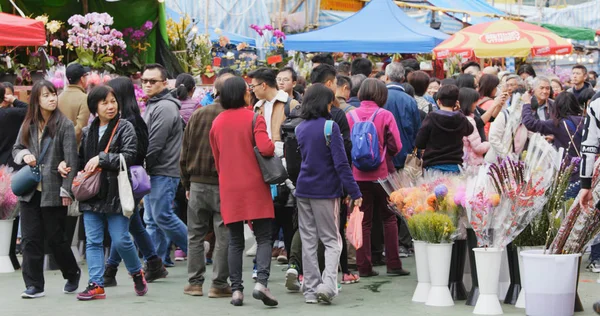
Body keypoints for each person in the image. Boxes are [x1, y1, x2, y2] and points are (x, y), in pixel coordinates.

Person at [210, 76, 278, 307]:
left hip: (229, 186)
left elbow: (217, 159)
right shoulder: (254, 118)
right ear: (242, 94)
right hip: (255, 184)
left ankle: (237, 290)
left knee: (235, 241)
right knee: (264, 236)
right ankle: (261, 283)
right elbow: (267, 148)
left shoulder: (217, 122)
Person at [75, 85, 148, 300]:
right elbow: (81, 160)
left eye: (113, 101)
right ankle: (96, 284)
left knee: (121, 239)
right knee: (94, 241)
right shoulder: (88, 131)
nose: (110, 106)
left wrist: (102, 159)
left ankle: (136, 272)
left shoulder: (124, 127)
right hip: (92, 193)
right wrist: (68, 166)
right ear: (94, 107)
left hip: (116, 193)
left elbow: (131, 155)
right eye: (104, 102)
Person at [294, 83, 363, 304]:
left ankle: (311, 290)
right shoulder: (330, 127)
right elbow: (341, 163)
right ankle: (328, 285)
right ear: (325, 103)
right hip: (325, 191)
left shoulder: (299, 128)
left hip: (303, 189)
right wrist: (354, 191)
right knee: (332, 240)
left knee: (309, 240)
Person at [12, 80, 80, 298]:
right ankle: (34, 285)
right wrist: (24, 155)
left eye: (53, 94)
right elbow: (17, 148)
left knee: (55, 238)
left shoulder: (65, 124)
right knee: (31, 239)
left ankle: (72, 272)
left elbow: (71, 159)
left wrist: (66, 190)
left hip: (53, 189)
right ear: (36, 100)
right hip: (30, 191)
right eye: (46, 95)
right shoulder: (28, 123)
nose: (52, 98)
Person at [103, 77, 167, 286]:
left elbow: (131, 154)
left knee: (121, 226)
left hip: (126, 180)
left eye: (112, 96)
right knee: (134, 225)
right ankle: (154, 262)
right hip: (132, 178)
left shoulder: (127, 122)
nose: (109, 102)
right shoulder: (134, 118)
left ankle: (110, 271)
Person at [180, 73, 234, 298]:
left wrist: (186, 183)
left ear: (215, 91)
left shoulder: (198, 114)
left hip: (197, 183)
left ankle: (194, 283)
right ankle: (219, 284)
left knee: (195, 234)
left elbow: (185, 152)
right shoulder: (233, 117)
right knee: (223, 235)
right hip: (223, 184)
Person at [346, 79, 407, 278]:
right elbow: (397, 145)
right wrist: (384, 155)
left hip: (357, 176)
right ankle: (393, 264)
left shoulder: (350, 115)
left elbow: (346, 145)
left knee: (363, 221)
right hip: (382, 175)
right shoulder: (385, 115)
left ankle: (364, 267)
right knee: (389, 218)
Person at [248, 67, 299, 264]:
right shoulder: (256, 107)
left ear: (264, 85)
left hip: (284, 167)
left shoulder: (290, 105)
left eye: (253, 86)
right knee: (266, 216)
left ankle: (291, 259)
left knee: (286, 214)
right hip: (262, 167)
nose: (251, 90)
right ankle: (262, 265)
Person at [140, 64, 188, 263]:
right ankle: (156, 262)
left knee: (162, 216)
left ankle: (194, 247)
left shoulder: (166, 106)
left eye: (153, 81)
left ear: (165, 83)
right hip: (155, 170)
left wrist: (142, 165)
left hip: (164, 170)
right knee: (151, 220)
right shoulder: (154, 104)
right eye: (144, 81)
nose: (148, 85)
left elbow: (155, 143)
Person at [521, 91, 582, 198]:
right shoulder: (585, 121)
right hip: (588, 173)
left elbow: (530, 123)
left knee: (568, 209)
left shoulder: (556, 124)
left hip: (570, 175)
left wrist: (526, 104)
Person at [415, 84, 474, 173]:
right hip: (455, 166)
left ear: (438, 101)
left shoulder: (431, 117)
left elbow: (419, 143)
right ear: (456, 102)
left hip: (432, 167)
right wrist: (459, 111)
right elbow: (470, 130)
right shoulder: (460, 118)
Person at [0, 82, 27, 271]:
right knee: (12, 212)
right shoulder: (10, 114)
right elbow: (31, 109)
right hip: (10, 169)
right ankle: (10, 255)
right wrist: (15, 100)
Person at [384, 62, 420, 169]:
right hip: (406, 155)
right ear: (403, 78)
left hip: (384, 155)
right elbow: (417, 130)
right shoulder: (410, 100)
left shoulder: (380, 97)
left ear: (386, 77)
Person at [58, 63, 90, 144]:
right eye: (85, 76)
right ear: (82, 79)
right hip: (74, 148)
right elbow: (80, 129)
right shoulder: (84, 98)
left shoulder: (59, 97)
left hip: (58, 145)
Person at [460, 88, 490, 168]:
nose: (476, 105)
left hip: (460, 160)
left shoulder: (455, 117)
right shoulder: (469, 120)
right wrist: (489, 144)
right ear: (468, 103)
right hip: (471, 162)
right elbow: (477, 148)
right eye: (475, 102)